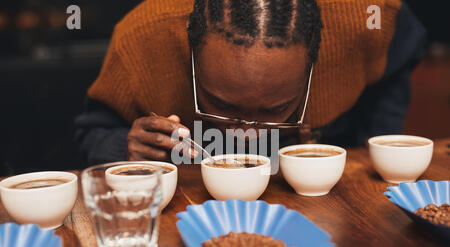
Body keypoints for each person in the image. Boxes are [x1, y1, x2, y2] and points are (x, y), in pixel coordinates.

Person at [74, 0, 425, 165]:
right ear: (190, 56)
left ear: (318, 58)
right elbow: (90, 133)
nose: (249, 136)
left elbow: (403, 56)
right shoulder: (142, 37)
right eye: (222, 104)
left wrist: (372, 146)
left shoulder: (367, 19)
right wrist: (126, 150)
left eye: (275, 109)